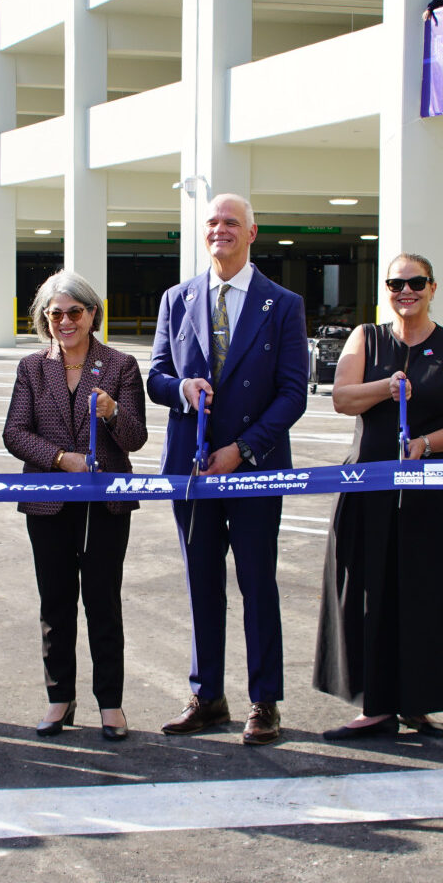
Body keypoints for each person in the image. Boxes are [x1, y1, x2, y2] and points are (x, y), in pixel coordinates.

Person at [148, 193, 309, 746]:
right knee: (200, 583)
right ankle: (207, 695)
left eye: (232, 223)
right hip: (191, 470)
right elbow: (156, 377)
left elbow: (293, 394)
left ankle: (264, 701)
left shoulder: (282, 303)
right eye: (213, 222)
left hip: (253, 467)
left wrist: (242, 450)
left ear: (252, 232)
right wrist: (181, 390)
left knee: (258, 583)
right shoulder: (177, 297)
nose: (221, 230)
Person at [313, 254, 443, 741]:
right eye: (396, 282)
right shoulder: (365, 338)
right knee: (369, 595)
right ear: (385, 289)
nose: (405, 290)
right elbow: (342, 398)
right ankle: (374, 705)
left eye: (416, 282)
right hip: (370, 488)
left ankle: (419, 702)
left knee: (428, 598)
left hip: (434, 493)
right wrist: (386, 388)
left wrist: (427, 444)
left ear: (433, 288)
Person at [1, 270, 149, 742]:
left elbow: (136, 438)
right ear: (46, 319)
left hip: (106, 503)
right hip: (48, 500)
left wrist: (113, 413)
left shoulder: (120, 365)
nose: (66, 321)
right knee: (56, 601)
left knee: (103, 600)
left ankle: (111, 703)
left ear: (91, 314)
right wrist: (62, 459)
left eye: (75, 312)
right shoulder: (31, 367)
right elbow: (14, 433)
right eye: (56, 313)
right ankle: (58, 697)